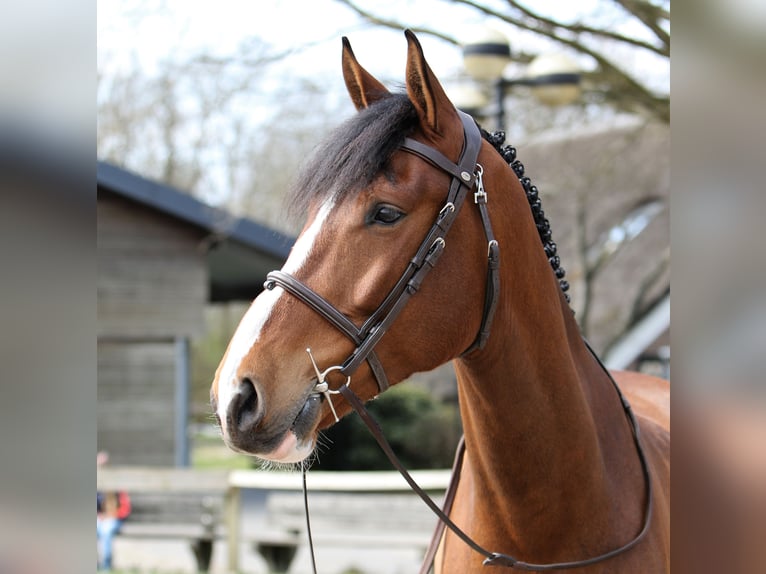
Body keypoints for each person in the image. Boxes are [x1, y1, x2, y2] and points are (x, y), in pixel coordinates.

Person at [97, 451, 130, 571]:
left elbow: (125, 508)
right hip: (99, 518)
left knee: (106, 530)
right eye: (99, 465)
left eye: (104, 465)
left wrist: (111, 515)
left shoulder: (117, 484)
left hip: (113, 518)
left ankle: (106, 566)